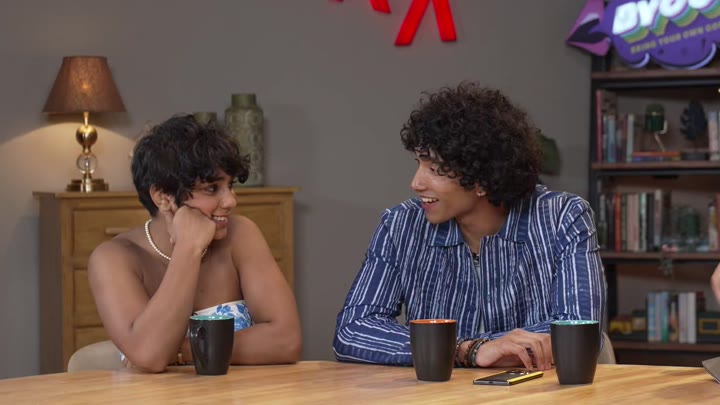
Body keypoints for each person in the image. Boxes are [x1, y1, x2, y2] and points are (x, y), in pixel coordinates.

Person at [333, 83, 606, 370]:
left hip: (537, 391)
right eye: (418, 163)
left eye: (434, 168)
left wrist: (447, 348)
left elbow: (579, 330)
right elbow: (353, 330)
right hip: (439, 392)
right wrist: (468, 350)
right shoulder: (400, 224)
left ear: (482, 180)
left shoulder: (562, 216)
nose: (416, 183)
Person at [88, 114, 301, 372]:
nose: (231, 201)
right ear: (163, 197)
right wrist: (188, 248)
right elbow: (150, 354)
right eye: (212, 189)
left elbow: (286, 341)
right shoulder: (113, 259)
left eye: (230, 185)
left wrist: (183, 348)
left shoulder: (241, 234)